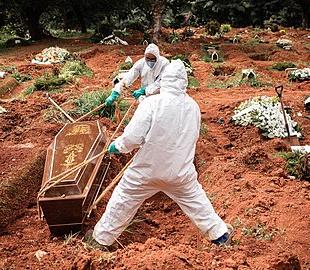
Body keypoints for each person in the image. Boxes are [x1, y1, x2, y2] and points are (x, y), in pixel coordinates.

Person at [85, 59, 234, 248]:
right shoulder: (193, 107)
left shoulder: (152, 104)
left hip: (146, 171)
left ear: (164, 80)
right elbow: (192, 137)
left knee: (123, 199)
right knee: (197, 202)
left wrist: (118, 146)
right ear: (184, 82)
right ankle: (220, 236)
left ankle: (100, 240)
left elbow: (132, 138)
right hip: (181, 172)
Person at [105, 43, 170, 106]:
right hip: (145, 97)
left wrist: (144, 90)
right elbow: (129, 77)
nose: (150, 61)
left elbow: (161, 83)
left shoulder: (164, 64)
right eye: (147, 58)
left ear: (157, 58)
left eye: (152, 59)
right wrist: (115, 92)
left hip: (160, 96)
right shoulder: (141, 63)